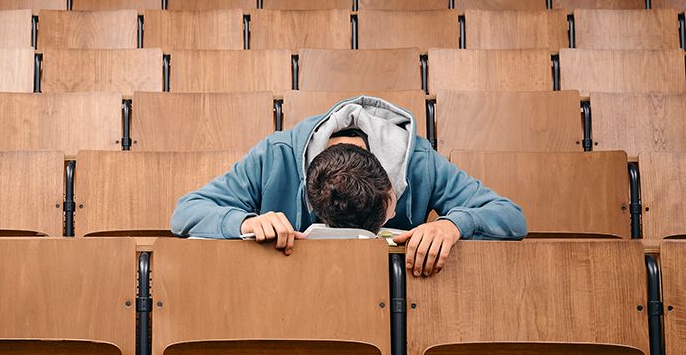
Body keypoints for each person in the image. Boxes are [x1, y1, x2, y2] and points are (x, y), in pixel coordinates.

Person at [170, 95, 527, 277]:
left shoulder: (418, 160)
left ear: (392, 194)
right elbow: (186, 212)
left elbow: (511, 217)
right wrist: (245, 223)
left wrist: (453, 225)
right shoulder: (275, 155)